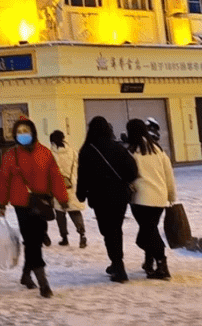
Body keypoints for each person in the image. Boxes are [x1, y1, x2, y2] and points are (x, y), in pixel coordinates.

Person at [0, 119, 69, 298]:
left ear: (33, 132)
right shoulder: (10, 155)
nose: (22, 134)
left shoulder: (44, 153)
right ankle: (43, 283)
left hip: (42, 202)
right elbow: (4, 181)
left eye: (26, 130)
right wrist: (2, 204)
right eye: (19, 131)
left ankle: (26, 274)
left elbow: (55, 176)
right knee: (32, 242)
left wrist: (62, 197)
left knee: (34, 241)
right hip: (21, 204)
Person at [76, 116, 139, 282]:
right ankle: (117, 263)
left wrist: (80, 194)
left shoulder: (87, 150)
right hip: (119, 195)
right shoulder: (118, 148)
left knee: (108, 231)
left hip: (99, 196)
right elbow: (132, 171)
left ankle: (118, 265)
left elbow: (83, 176)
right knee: (116, 229)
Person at [126, 118, 177, 280]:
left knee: (148, 232)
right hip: (159, 198)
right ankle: (149, 262)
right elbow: (169, 174)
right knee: (150, 229)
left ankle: (162, 266)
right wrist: (171, 196)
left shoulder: (132, 152)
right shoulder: (158, 150)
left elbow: (129, 176)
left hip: (141, 199)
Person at [49, 130, 87, 248]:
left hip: (56, 186)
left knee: (60, 214)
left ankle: (64, 237)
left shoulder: (50, 154)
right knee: (75, 211)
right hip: (72, 185)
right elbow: (78, 168)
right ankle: (82, 234)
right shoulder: (72, 152)